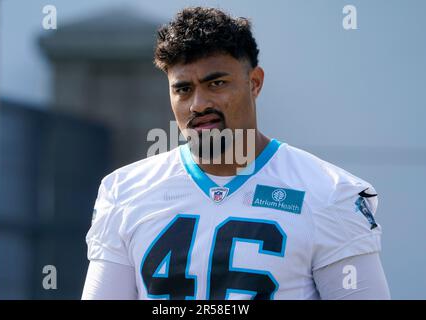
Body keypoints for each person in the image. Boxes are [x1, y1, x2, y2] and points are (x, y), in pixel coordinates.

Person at [82, 7, 390, 300]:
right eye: (183, 89)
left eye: (216, 83)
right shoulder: (124, 191)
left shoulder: (329, 192)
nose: (198, 104)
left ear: (254, 83)